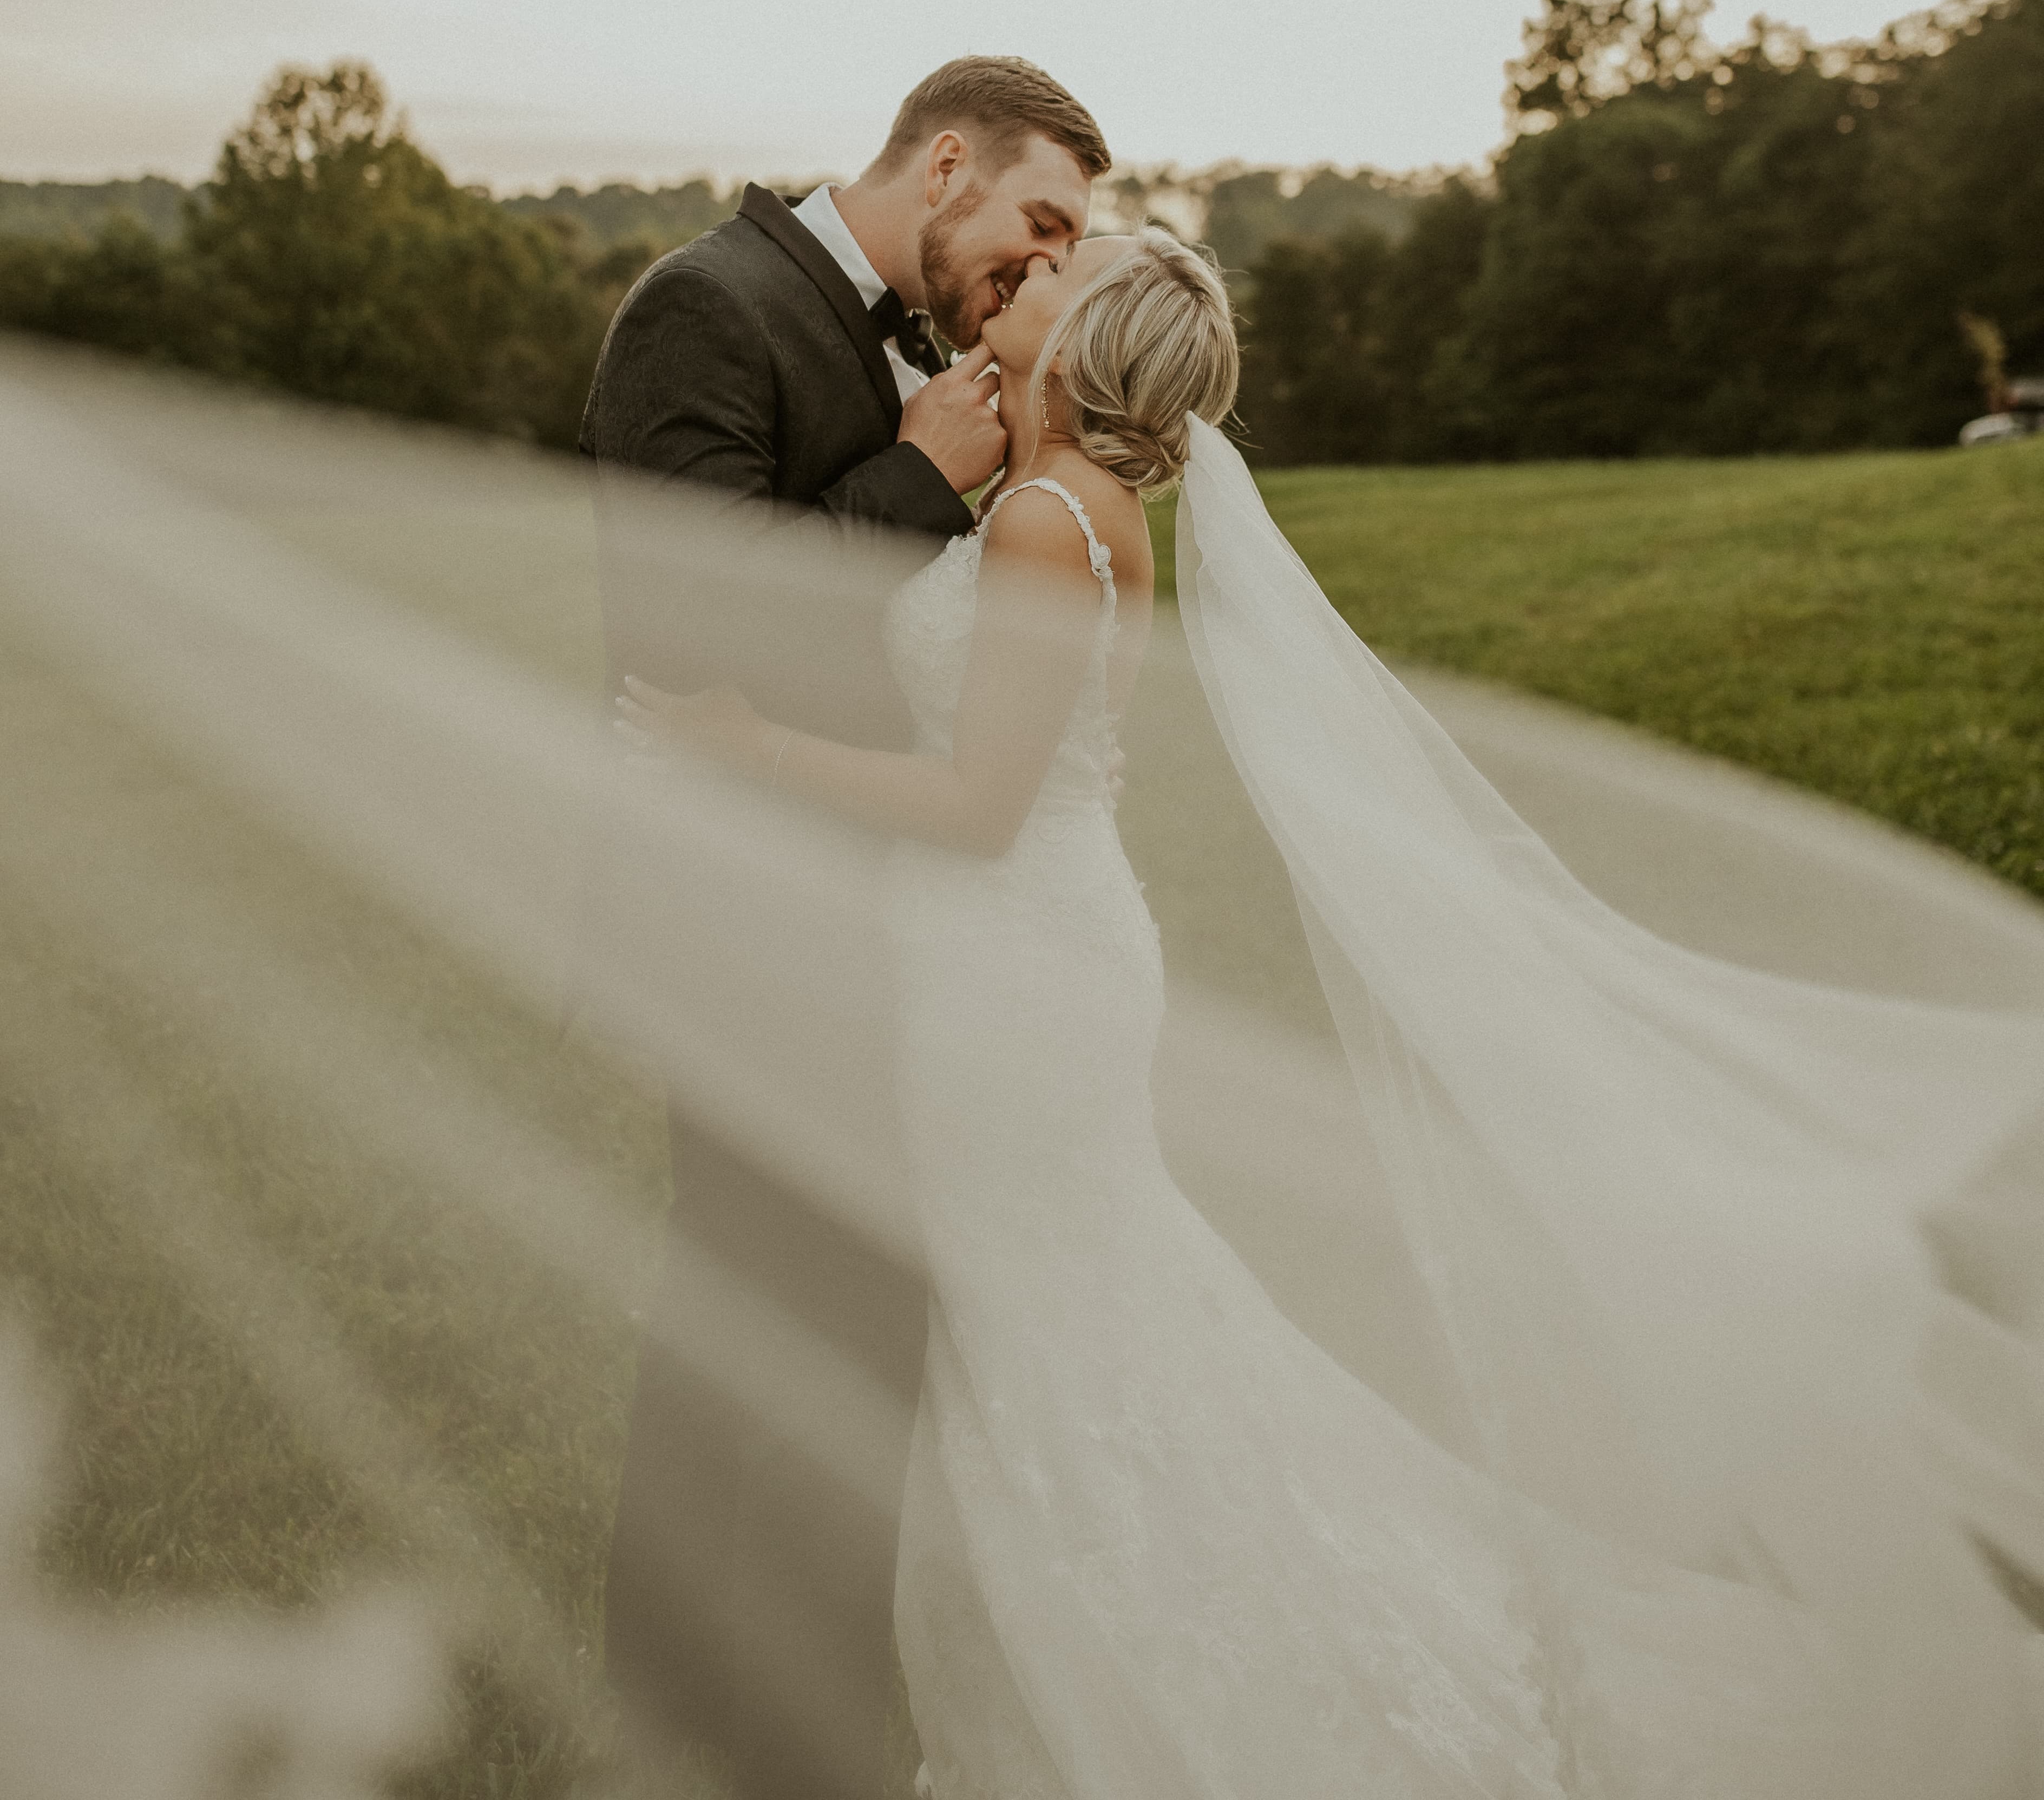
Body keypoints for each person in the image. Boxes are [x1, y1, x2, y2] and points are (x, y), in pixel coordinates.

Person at [625, 231, 2044, 1800]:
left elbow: (975, 803)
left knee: (1046, 1327)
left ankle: (1164, 1691)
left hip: (1009, 969)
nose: (1015, 277)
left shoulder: (1043, 522)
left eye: (1049, 274)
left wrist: (746, 747)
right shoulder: (1062, 511)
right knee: (1078, 1312)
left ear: (1079, 340)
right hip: (1037, 947)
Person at [580, 55, 1110, 1800]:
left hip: (876, 925)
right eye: (1037, 218)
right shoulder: (704, 307)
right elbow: (687, 615)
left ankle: (754, 1729)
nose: (1043, 267)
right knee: (766, 1349)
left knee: (827, 1347)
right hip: (743, 925)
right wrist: (916, 472)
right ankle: (722, 1731)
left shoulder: (895, 339)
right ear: (944, 162)